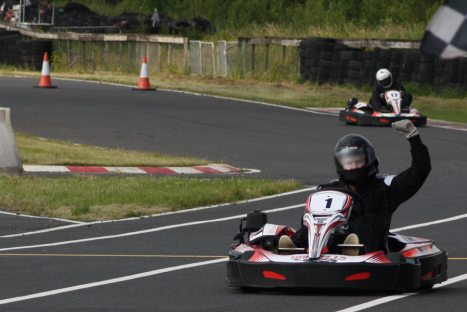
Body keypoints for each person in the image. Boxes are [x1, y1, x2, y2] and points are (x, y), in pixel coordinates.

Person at [279, 120, 431, 255]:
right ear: (341, 164)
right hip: (327, 245)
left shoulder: (385, 187)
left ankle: (353, 249)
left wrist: (413, 137)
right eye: (349, 163)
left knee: (365, 220)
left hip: (370, 249)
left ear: (369, 160)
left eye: (358, 161)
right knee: (316, 220)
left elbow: (420, 170)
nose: (354, 166)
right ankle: (293, 247)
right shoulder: (331, 189)